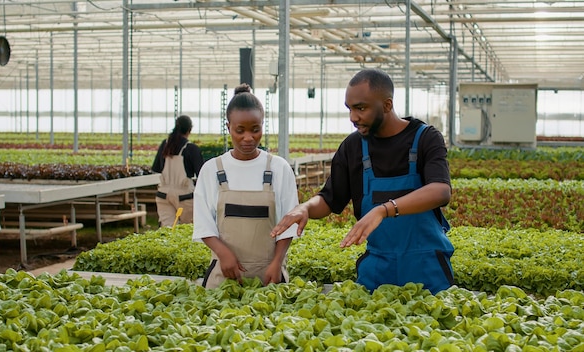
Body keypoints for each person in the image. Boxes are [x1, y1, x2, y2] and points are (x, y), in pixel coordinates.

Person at [271, 68, 454, 294]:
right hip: (378, 268)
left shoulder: (426, 138)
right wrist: (305, 207)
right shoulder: (353, 147)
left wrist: (384, 210)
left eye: (361, 108)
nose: (353, 117)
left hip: (427, 267)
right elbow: (330, 199)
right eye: (349, 109)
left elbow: (440, 191)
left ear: (387, 105)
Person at [193, 83, 299, 289]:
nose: (248, 138)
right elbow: (203, 223)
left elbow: (288, 223)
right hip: (224, 274)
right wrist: (223, 254)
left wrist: (277, 262)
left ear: (263, 125)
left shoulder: (279, 168)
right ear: (228, 127)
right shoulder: (212, 170)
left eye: (255, 130)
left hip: (270, 275)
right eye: (240, 130)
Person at [151, 115, 204, 228]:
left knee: (168, 229)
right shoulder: (190, 148)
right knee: (189, 229)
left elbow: (156, 168)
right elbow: (201, 173)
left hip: (163, 194)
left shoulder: (165, 145)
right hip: (184, 195)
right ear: (190, 129)